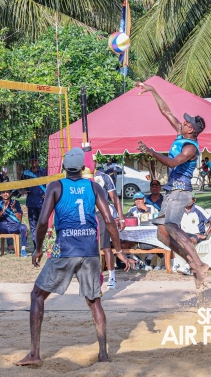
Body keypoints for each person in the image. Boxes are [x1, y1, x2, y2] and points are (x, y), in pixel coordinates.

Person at [15, 148, 134, 366]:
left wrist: (38, 248)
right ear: (83, 168)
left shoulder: (55, 186)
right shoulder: (94, 186)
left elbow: (42, 222)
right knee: (95, 302)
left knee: (37, 295)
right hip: (89, 250)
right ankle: (103, 354)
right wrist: (118, 250)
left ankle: (34, 354)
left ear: (63, 167)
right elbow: (109, 220)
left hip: (64, 249)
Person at [135, 81, 209, 288]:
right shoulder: (180, 133)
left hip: (181, 191)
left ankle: (199, 264)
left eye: (186, 122)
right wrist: (153, 91)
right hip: (171, 192)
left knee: (171, 226)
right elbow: (166, 111)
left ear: (191, 129)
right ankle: (192, 263)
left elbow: (173, 163)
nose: (182, 123)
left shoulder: (190, 148)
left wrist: (151, 152)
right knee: (162, 233)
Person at [93, 167, 126, 289]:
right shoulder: (81, 177)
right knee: (89, 247)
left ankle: (112, 277)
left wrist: (121, 218)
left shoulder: (104, 177)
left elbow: (114, 198)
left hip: (102, 213)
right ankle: (92, 275)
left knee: (106, 247)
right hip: (87, 214)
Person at [0, 189, 29, 257]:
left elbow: (20, 219)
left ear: (10, 194)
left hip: (14, 226)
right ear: (1, 194)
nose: (5, 194)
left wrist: (14, 209)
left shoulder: (15, 202)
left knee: (24, 227)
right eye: (3, 192)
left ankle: (23, 250)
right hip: (3, 226)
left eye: (7, 192)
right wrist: (3, 210)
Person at [21, 155, 47, 251]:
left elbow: (51, 184)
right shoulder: (26, 173)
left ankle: (45, 244)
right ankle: (37, 246)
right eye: (32, 161)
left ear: (38, 161)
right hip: (31, 203)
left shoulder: (44, 171)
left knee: (43, 224)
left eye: (35, 160)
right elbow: (19, 186)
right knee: (33, 225)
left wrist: (47, 192)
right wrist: (22, 191)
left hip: (42, 202)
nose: (34, 162)